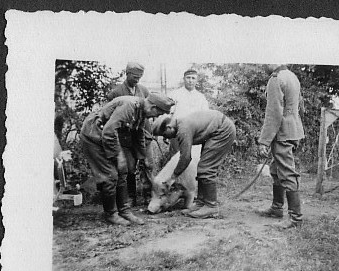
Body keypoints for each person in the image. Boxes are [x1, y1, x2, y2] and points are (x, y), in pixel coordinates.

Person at [80, 94, 175, 225]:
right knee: (110, 175)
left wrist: (143, 157)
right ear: (153, 107)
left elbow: (139, 134)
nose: (156, 117)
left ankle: (124, 211)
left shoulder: (141, 111)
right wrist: (119, 155)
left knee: (123, 171)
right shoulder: (129, 106)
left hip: (107, 136)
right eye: (158, 113)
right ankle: (111, 214)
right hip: (93, 135)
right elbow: (108, 132)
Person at [152, 109, 236, 219]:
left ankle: (211, 206)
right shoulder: (180, 125)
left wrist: (172, 178)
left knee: (206, 169)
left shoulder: (183, 129)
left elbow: (186, 158)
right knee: (202, 167)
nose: (166, 138)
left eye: (165, 135)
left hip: (222, 131)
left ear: (169, 127)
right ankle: (201, 203)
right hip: (215, 131)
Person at [256, 64, 305, 228]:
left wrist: (264, 141)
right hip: (293, 129)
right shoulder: (292, 76)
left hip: (282, 131)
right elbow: (299, 106)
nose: (264, 64)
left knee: (286, 172)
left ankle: (295, 218)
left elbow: (273, 113)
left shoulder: (276, 79)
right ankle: (277, 208)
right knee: (276, 169)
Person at [106, 61, 153, 206]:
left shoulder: (144, 91)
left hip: (143, 134)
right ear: (127, 74)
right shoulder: (116, 93)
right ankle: (131, 196)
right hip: (125, 137)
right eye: (134, 76)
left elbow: (148, 110)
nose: (137, 79)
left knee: (147, 164)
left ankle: (148, 195)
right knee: (129, 168)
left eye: (140, 77)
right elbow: (111, 118)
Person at [166, 68, 209, 157]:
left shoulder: (201, 97)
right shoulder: (174, 94)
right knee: (175, 159)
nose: (190, 80)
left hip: (195, 134)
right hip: (176, 133)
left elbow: (205, 118)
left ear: (196, 80)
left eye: (193, 78)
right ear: (184, 79)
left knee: (192, 159)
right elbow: (168, 115)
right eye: (188, 78)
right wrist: (166, 132)